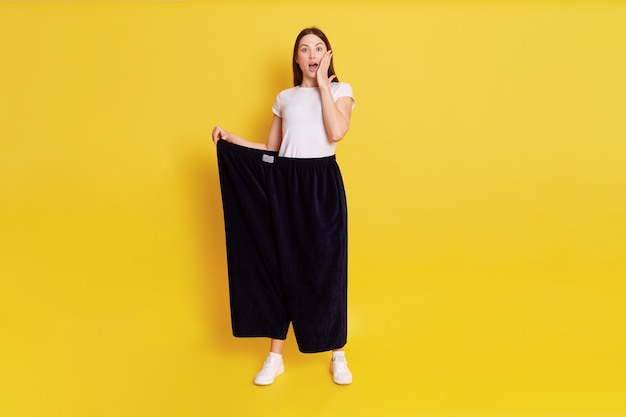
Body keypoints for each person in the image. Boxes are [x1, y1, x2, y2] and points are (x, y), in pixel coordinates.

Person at [212, 27, 355, 386]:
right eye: (304, 49)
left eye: (318, 48)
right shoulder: (284, 97)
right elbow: (272, 150)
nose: (311, 54)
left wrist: (324, 84)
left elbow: (337, 132)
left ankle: (337, 352)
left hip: (321, 183)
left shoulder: (341, 91)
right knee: (280, 266)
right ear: (296, 57)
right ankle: (275, 357)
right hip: (285, 183)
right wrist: (233, 140)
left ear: (327, 55)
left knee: (327, 267)